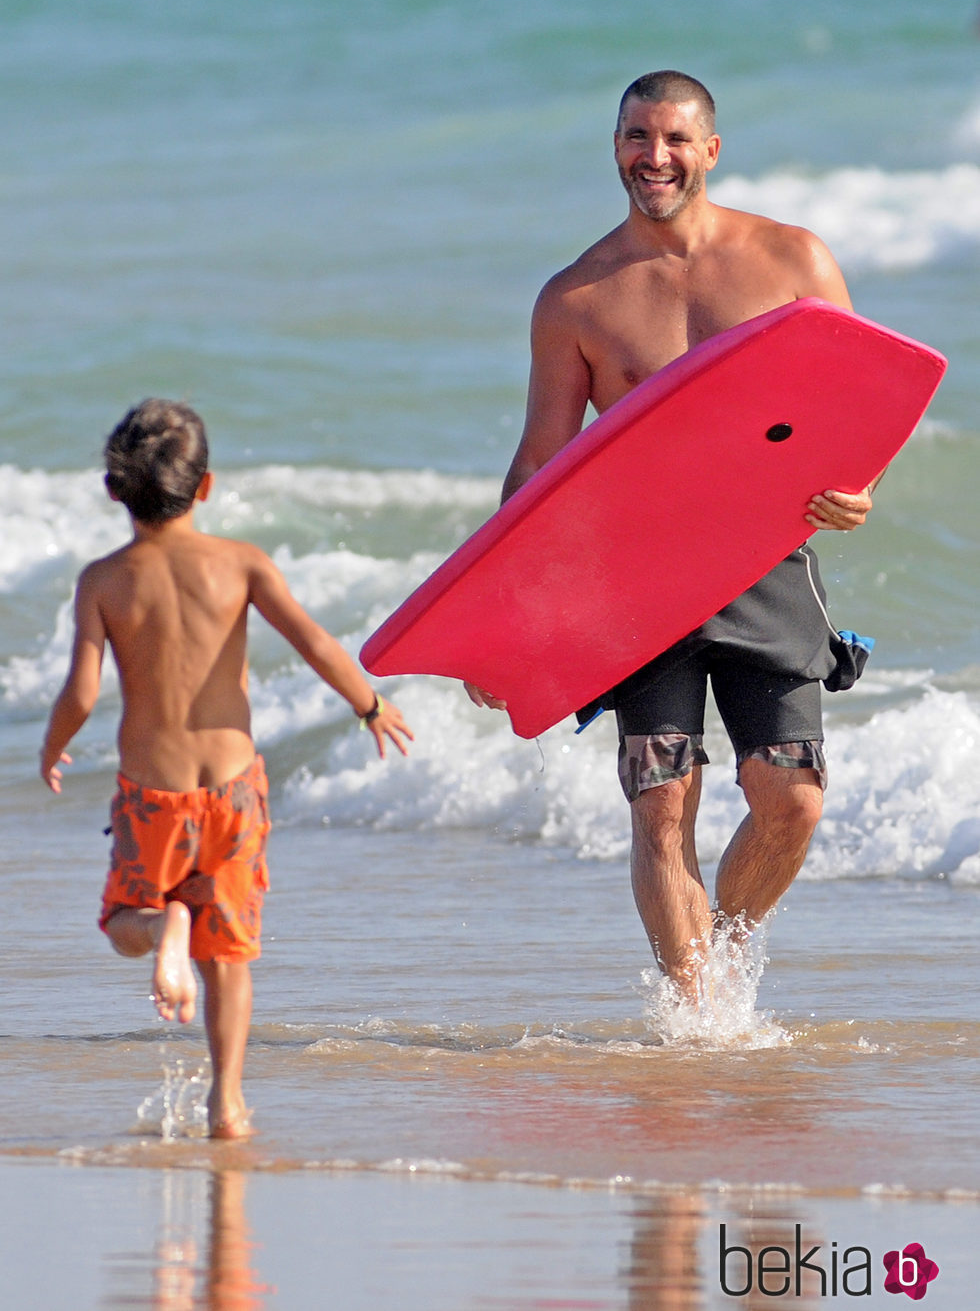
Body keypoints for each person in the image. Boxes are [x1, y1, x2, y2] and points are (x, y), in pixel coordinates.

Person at [466, 70, 876, 1001]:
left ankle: (721, 951)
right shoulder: (576, 299)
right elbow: (538, 465)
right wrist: (496, 617)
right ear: (615, 146)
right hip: (635, 579)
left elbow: (863, 403)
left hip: (764, 554)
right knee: (661, 806)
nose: (654, 157)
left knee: (793, 796)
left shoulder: (792, 261)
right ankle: (696, 1027)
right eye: (636, 138)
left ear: (711, 151)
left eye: (674, 140)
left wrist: (859, 489)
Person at [40, 398, 413, 1137]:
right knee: (230, 954)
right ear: (204, 486)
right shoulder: (241, 563)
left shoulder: (103, 580)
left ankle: (162, 928)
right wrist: (371, 705)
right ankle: (228, 1101)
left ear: (115, 491)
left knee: (121, 922)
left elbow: (83, 691)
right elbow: (314, 643)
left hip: (153, 794)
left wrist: (52, 746)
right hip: (234, 789)